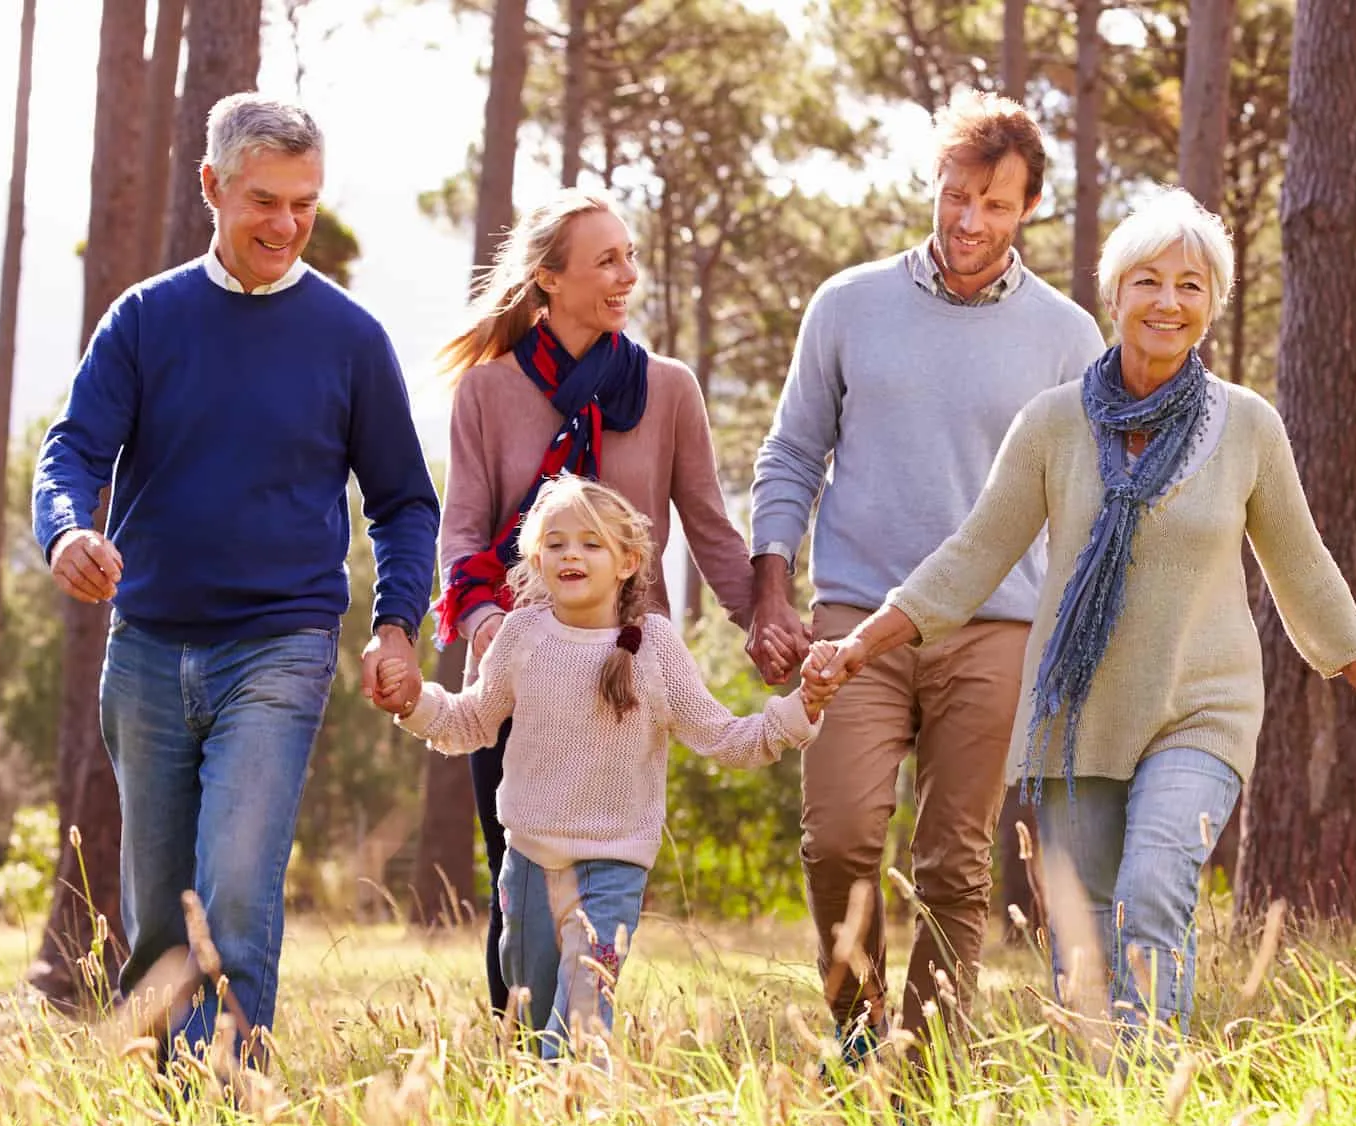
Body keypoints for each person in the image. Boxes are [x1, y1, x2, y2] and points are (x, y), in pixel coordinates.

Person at [803, 189, 1356, 1041]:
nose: (1169, 302)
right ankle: (1104, 1108)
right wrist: (861, 641)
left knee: (1154, 886)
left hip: (1201, 708)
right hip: (1080, 713)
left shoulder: (1247, 427)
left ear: (1213, 304)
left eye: (1191, 286)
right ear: (1115, 294)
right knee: (1084, 934)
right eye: (1148, 281)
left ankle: (1149, 1095)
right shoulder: (1053, 425)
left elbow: (1305, 570)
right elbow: (975, 555)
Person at [30, 94, 439, 1061]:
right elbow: (72, 452)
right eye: (265, 200)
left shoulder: (350, 339)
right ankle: (172, 1107)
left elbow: (404, 501)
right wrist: (63, 535)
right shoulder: (144, 319)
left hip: (282, 644)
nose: (287, 225)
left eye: (304, 203)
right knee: (163, 907)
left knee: (239, 889)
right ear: (212, 187)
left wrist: (394, 624)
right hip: (147, 652)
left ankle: (231, 1100)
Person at [748, 91, 1105, 1058]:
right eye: (955, 197)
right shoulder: (849, 305)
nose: (968, 222)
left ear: (1028, 207)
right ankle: (859, 1034)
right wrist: (771, 590)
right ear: (934, 188)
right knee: (839, 838)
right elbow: (791, 455)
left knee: (954, 860)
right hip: (855, 619)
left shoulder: (1069, 339)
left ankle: (929, 1059)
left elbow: (1086, 501)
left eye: (994, 204)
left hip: (997, 625)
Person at [434, 189, 762, 1015]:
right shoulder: (486, 392)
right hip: (521, 669)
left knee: (607, 882)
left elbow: (712, 527)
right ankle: (517, 1060)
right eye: (606, 260)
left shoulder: (669, 389)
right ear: (548, 278)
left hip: (624, 668)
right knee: (517, 880)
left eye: (630, 256)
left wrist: (763, 622)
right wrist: (491, 635)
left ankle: (580, 1052)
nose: (627, 275)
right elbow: (463, 534)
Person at [376, 477, 822, 1055]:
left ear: (628, 561)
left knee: (581, 1026)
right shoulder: (523, 635)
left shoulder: (654, 648)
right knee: (531, 1021)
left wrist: (799, 709)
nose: (571, 555)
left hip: (611, 869)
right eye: (556, 544)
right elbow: (471, 722)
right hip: (529, 865)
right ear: (536, 557)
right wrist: (414, 703)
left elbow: (725, 738)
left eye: (590, 543)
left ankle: (579, 1125)